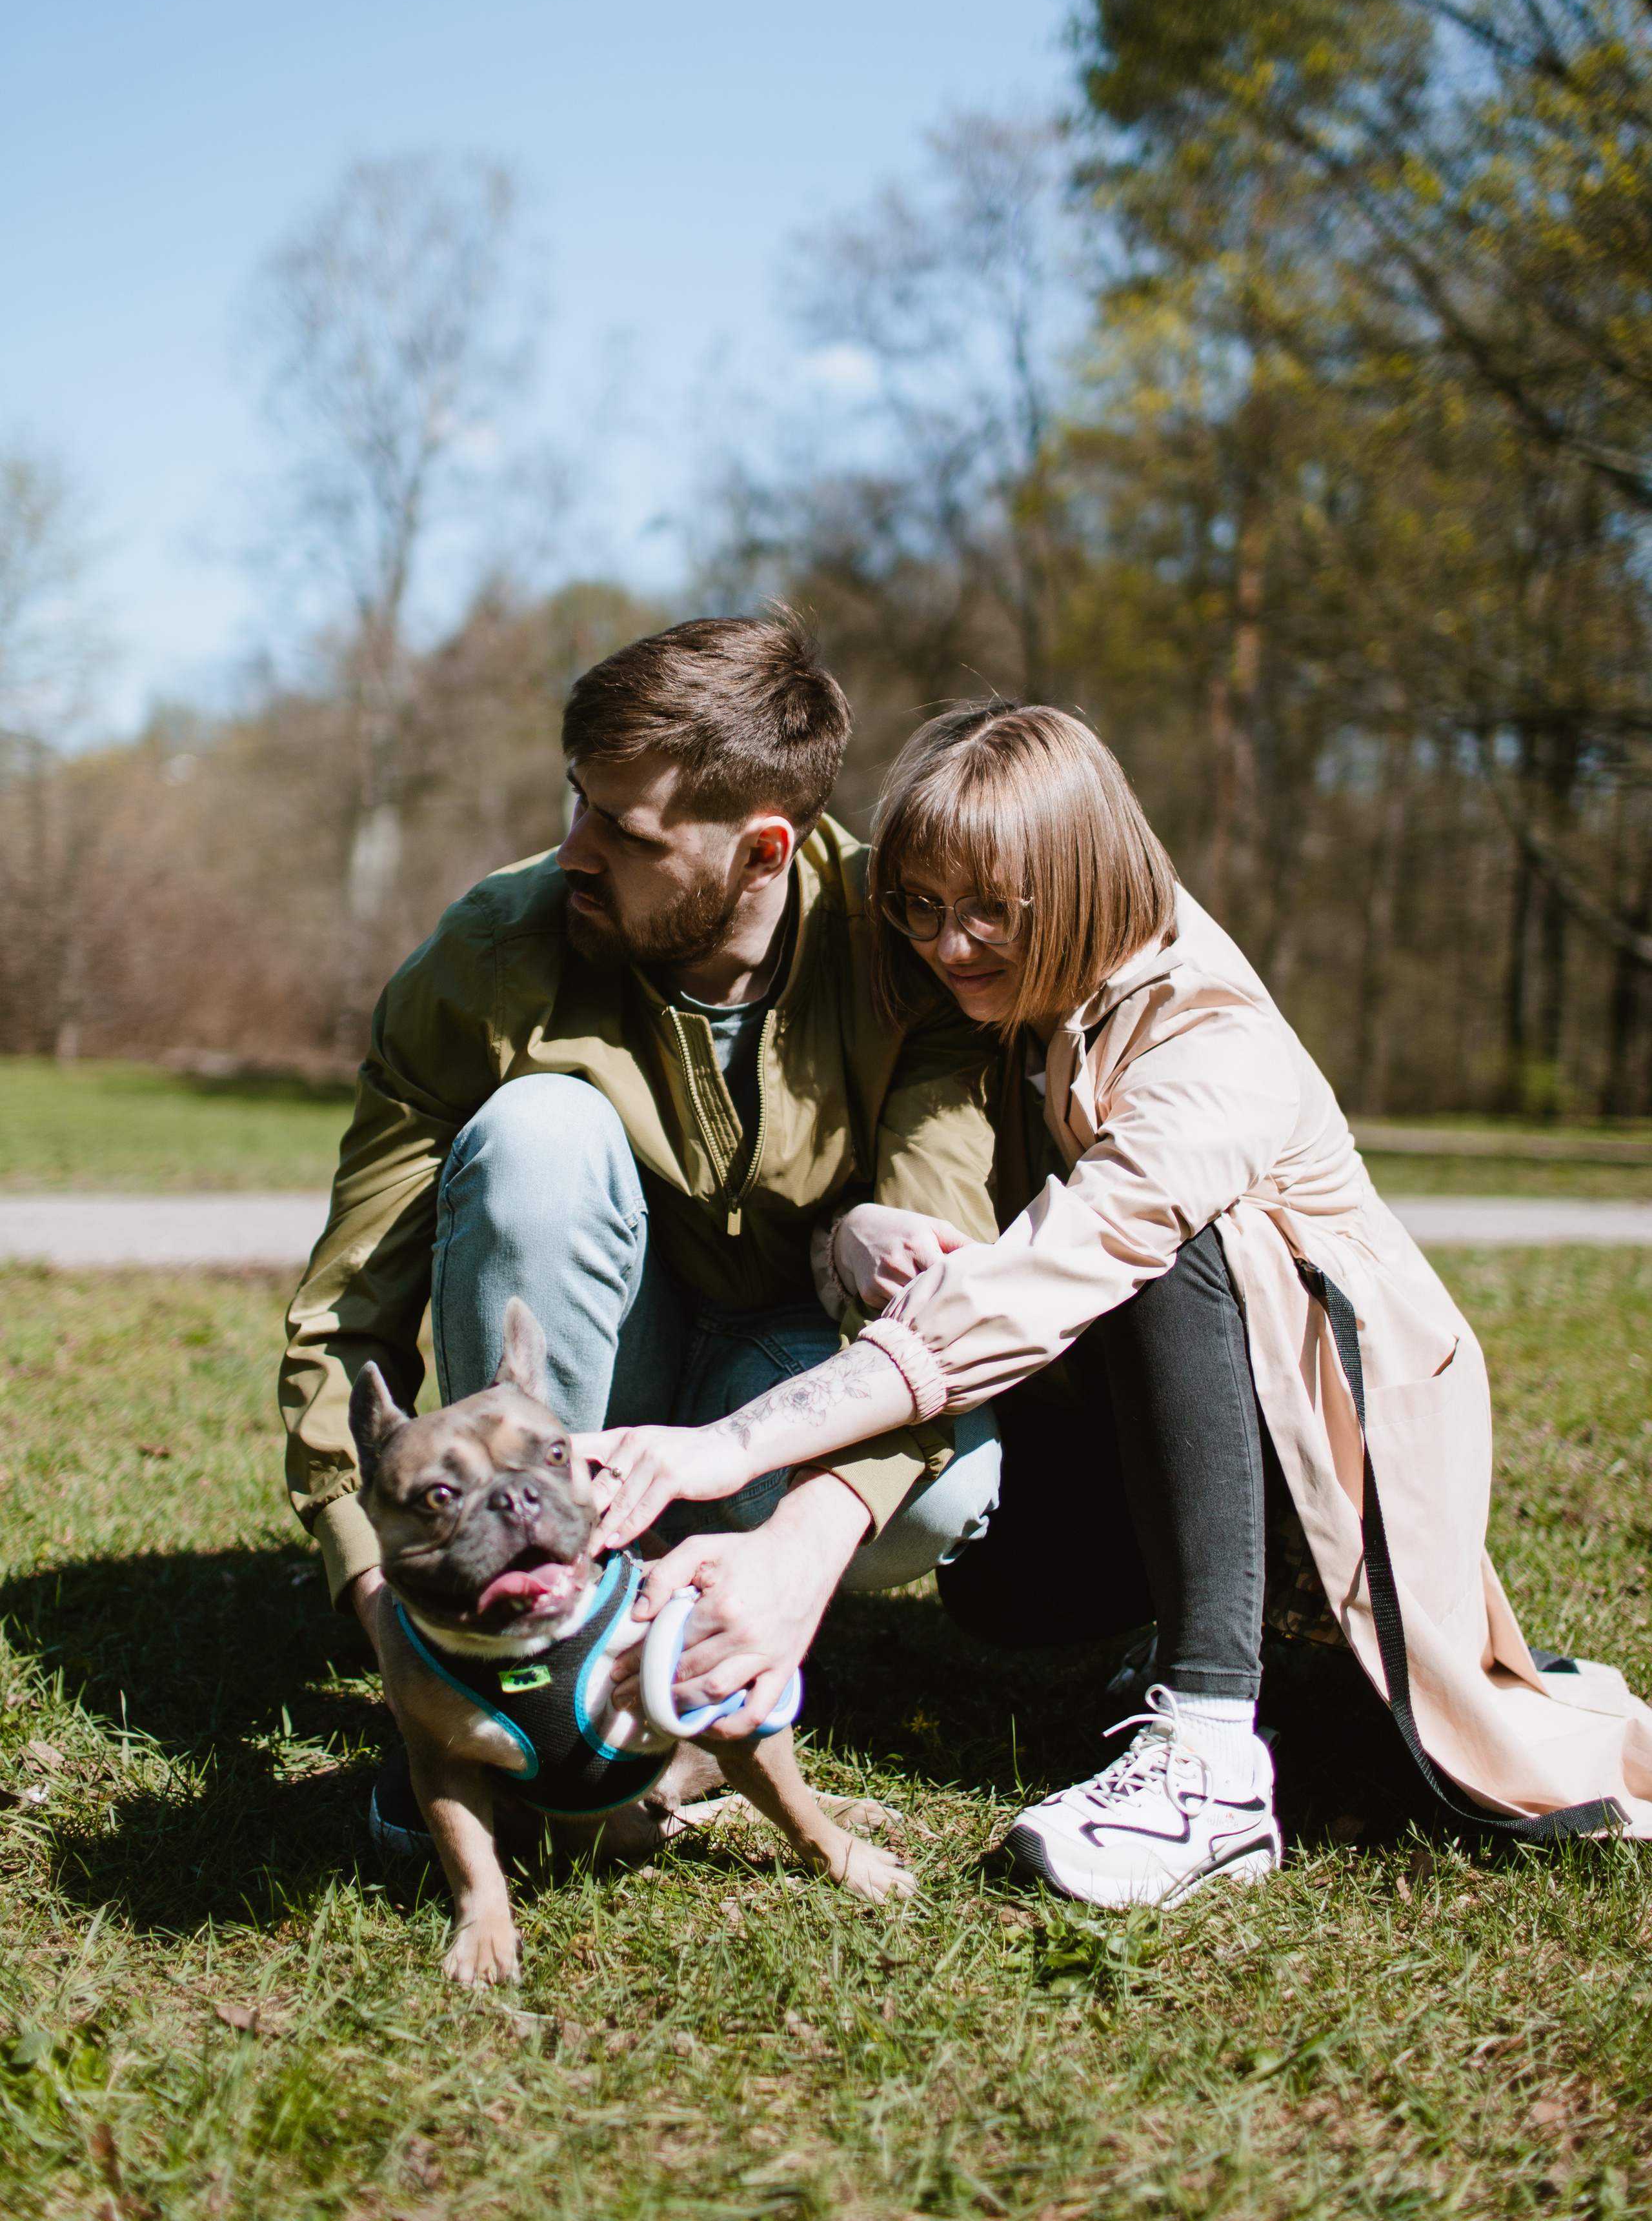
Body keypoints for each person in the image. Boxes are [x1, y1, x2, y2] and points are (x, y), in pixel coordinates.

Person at [586, 700, 1652, 1903]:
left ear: (1080, 878)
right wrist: (853, 1241)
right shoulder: (1014, 1002)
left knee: (1172, 1244)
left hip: (1336, 1453)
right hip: (1122, 1424)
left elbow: (1052, 1277)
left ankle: (1210, 1755)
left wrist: (726, 1447)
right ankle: (1227, 1637)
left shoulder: (1208, 1041)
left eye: (989, 908)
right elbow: (941, 1227)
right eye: (923, 906)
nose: (950, 944)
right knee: (996, 1588)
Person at [276, 618, 1006, 1830]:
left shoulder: (910, 948)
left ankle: (695, 1633)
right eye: (579, 805)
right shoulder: (488, 955)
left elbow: (945, 1312)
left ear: (761, 850)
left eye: (624, 833)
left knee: (949, 1478)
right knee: (537, 1137)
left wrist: (804, 1539)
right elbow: (345, 1316)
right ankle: (539, 1638)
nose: (573, 851)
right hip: (585, 1405)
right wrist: (377, 1590)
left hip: (782, 1393)